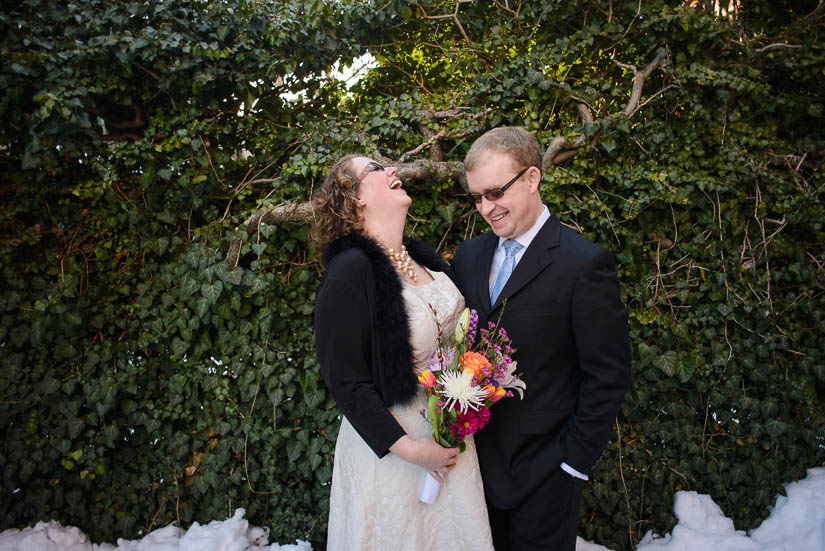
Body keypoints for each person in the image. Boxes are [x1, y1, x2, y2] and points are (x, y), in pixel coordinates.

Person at [451, 127, 632, 551]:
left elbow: (608, 375)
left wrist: (572, 463)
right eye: (477, 197)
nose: (486, 208)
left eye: (495, 192)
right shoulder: (469, 255)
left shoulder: (584, 264)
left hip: (546, 474)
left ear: (532, 179)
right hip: (475, 471)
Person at [311, 154, 494, 550]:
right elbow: (346, 380)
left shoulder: (423, 258)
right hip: (395, 455)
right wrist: (411, 449)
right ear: (355, 196)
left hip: (450, 445)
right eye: (376, 168)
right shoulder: (349, 272)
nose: (393, 170)